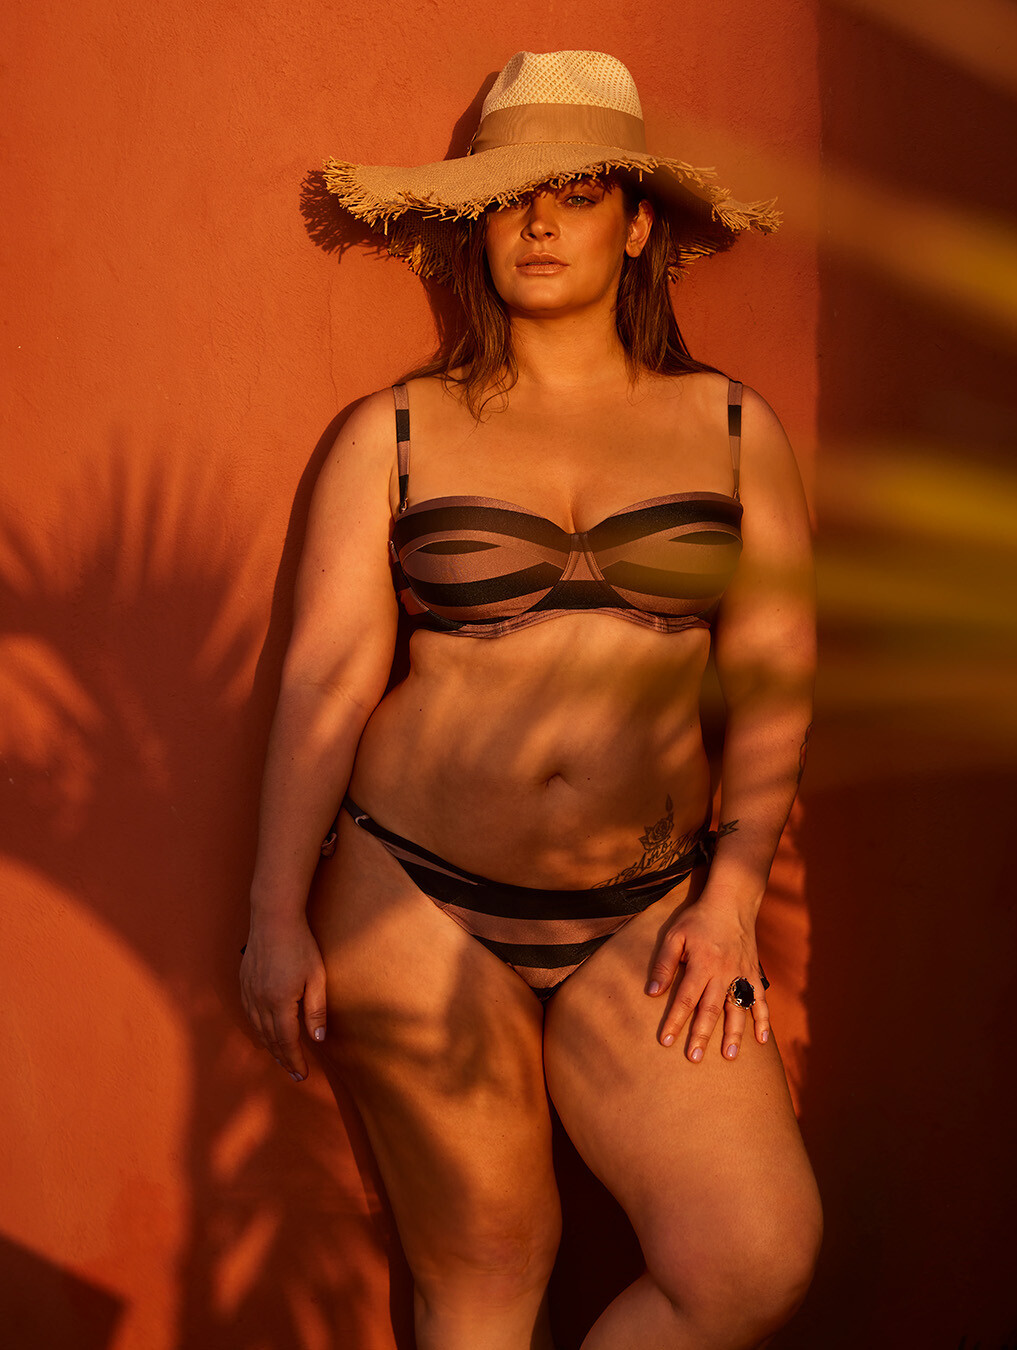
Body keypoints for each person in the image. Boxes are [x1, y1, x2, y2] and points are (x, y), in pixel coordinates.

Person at [240, 49, 822, 1350]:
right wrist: (274, 911)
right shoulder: (395, 433)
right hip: (414, 896)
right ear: (475, 229)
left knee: (755, 1255)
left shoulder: (734, 430)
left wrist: (730, 897)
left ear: (638, 228)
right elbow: (326, 676)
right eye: (509, 198)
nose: (541, 223)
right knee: (491, 1266)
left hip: (647, 907)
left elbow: (776, 679)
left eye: (576, 194)